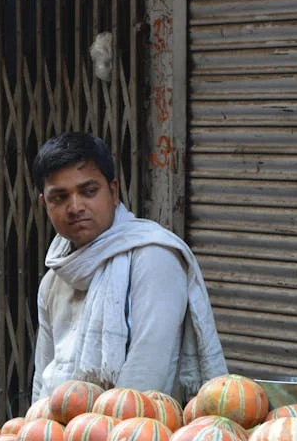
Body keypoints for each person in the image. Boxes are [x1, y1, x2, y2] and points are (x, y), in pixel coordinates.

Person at [30, 132, 227, 403]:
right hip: (61, 437)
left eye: (89, 191)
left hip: (132, 433)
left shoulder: (154, 256)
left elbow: (145, 376)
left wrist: (91, 437)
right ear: (45, 204)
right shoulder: (55, 277)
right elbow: (42, 380)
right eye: (59, 198)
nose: (75, 207)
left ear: (113, 191)